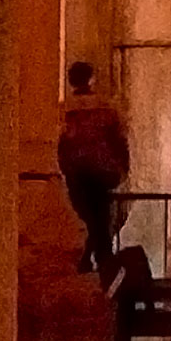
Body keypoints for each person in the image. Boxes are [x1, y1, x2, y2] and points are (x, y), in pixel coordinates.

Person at [57, 61, 129, 274]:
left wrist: (64, 167)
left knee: (85, 217)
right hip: (102, 170)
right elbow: (119, 139)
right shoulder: (106, 106)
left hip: (76, 173)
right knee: (101, 218)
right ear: (91, 78)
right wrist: (123, 165)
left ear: (71, 81)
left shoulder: (64, 110)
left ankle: (87, 259)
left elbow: (60, 144)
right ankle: (101, 260)